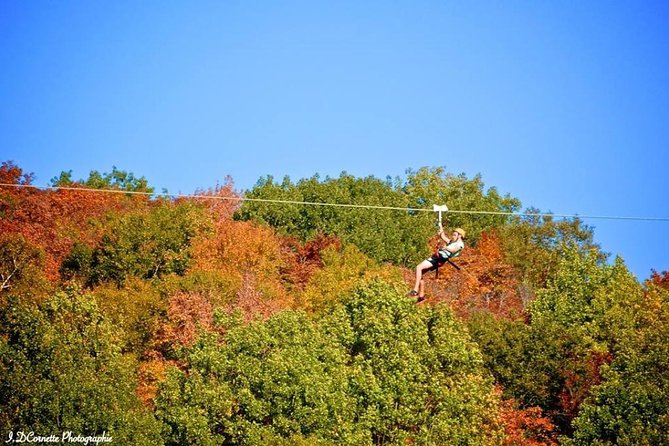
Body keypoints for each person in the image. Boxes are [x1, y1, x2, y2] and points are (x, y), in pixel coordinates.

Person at [408, 227, 465, 301]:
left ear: (459, 236)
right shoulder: (453, 242)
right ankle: (421, 296)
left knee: (419, 267)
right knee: (420, 272)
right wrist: (441, 229)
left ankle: (415, 290)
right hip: (438, 257)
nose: (452, 236)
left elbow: (453, 250)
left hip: (440, 258)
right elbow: (443, 237)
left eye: (454, 235)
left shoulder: (460, 244)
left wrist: (445, 248)